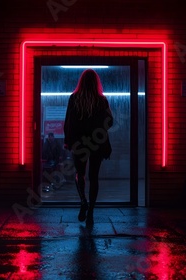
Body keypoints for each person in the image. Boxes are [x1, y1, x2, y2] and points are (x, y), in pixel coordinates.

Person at [64, 69, 113, 226]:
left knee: (80, 174)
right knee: (94, 177)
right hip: (96, 144)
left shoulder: (74, 98)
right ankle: (91, 210)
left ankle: (83, 201)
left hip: (79, 143)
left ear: (82, 82)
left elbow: (68, 122)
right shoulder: (101, 100)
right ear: (96, 83)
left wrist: (68, 141)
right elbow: (109, 122)